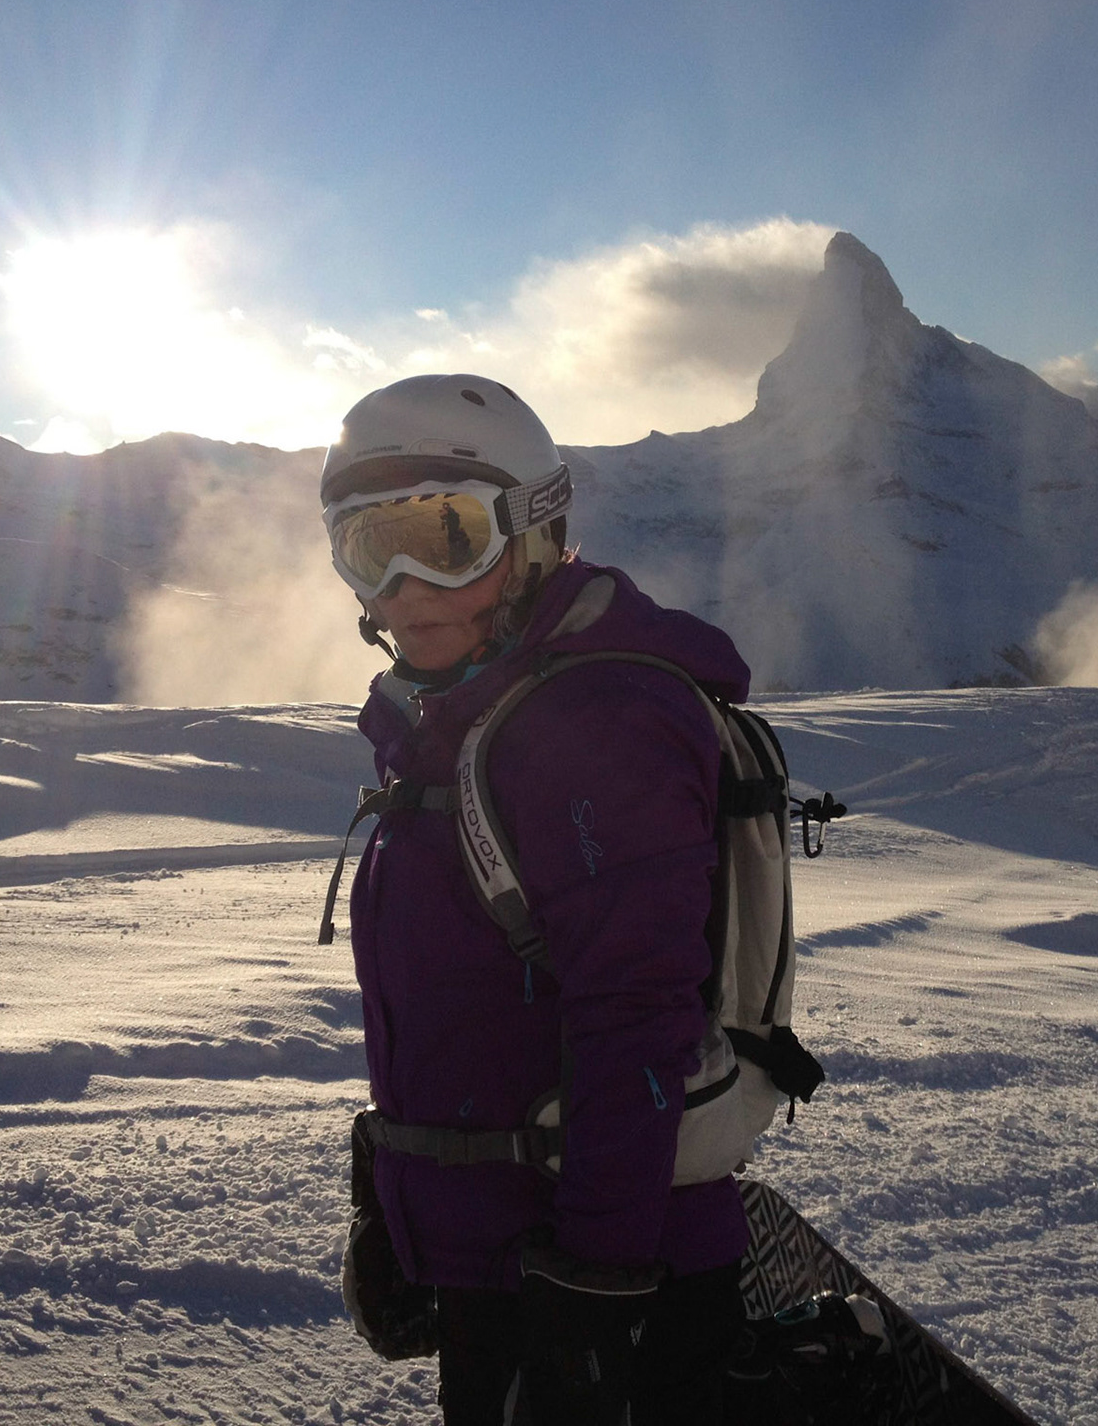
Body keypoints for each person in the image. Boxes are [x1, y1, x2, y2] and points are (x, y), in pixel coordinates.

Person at [320, 374, 752, 1425]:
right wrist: (404, 1193)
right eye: (372, 548)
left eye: (448, 538)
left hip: (609, 1284)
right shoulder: (464, 718)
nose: (408, 586)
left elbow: (635, 1020)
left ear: (538, 532)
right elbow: (476, 1009)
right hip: (511, 1262)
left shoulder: (597, 721)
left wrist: (594, 1297)